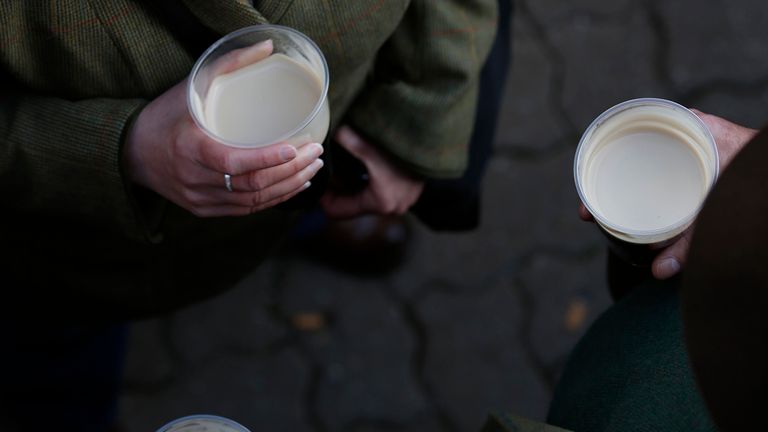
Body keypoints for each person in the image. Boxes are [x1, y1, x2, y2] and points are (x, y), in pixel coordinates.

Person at [0, 1, 498, 430]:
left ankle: (311, 218)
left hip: (336, 130)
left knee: (300, 189)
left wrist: (413, 123)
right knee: (60, 359)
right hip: (84, 245)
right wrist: (122, 149)